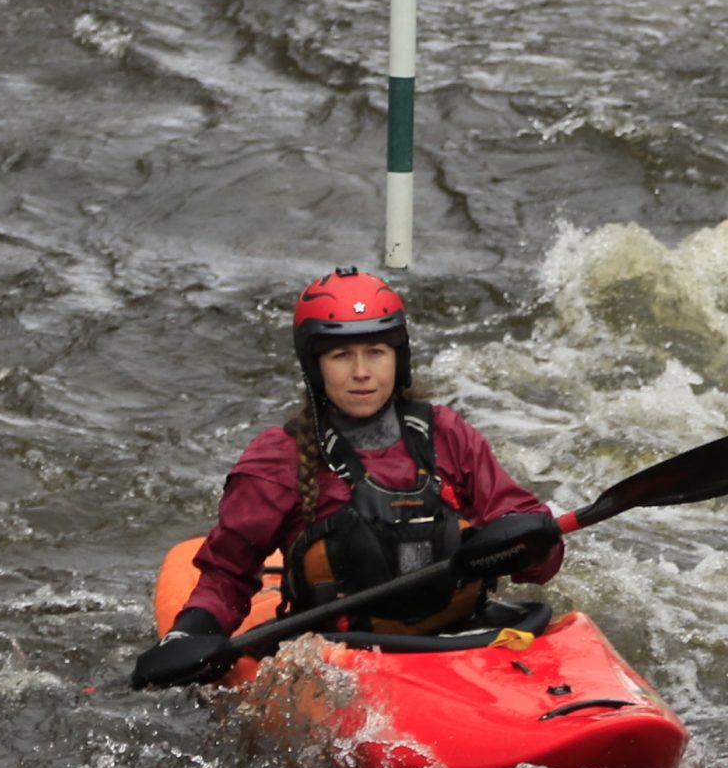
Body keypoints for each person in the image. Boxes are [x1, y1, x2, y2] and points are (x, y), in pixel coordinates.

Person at [132, 267, 563, 688]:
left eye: (376, 351)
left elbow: (532, 539)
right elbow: (226, 575)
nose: (362, 371)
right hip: (341, 656)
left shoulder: (447, 434)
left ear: (399, 358)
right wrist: (189, 633)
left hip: (468, 640)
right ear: (315, 368)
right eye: (342, 356)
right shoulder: (278, 458)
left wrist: (525, 545)